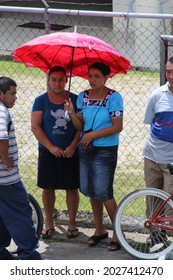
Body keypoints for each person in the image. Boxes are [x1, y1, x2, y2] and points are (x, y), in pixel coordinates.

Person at [64, 62, 124, 251]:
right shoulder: (83, 96)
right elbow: (80, 126)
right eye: (90, 76)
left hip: (105, 150)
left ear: (106, 77)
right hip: (86, 148)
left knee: (104, 192)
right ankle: (100, 229)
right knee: (91, 190)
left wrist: (92, 135)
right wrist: (72, 113)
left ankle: (117, 233)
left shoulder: (114, 97)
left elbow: (117, 126)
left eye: (97, 76)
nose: (92, 80)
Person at [31, 66, 80, 239]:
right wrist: (51, 147)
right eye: (54, 79)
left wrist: (73, 146)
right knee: (48, 187)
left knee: (72, 187)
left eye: (61, 79)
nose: (57, 83)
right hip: (48, 151)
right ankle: (49, 222)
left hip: (70, 152)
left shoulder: (75, 99)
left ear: (66, 80)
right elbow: (35, 126)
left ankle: (72, 223)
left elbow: (81, 127)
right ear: (48, 80)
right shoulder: (41, 101)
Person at [0, 76, 42, 260]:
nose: (15, 97)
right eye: (12, 93)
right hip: (7, 178)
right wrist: (6, 160)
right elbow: (1, 137)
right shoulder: (1, 111)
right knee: (21, 213)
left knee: (3, 215)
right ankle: (29, 255)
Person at [143, 56, 173, 243]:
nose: (170, 76)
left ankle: (168, 240)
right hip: (152, 155)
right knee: (153, 199)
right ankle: (156, 238)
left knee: (170, 204)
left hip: (171, 161)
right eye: (168, 71)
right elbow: (151, 121)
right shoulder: (157, 94)